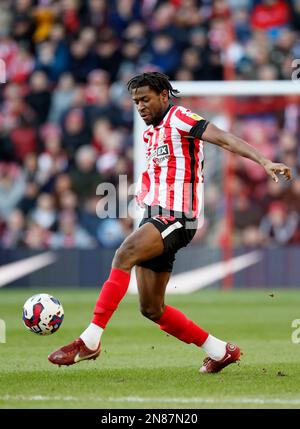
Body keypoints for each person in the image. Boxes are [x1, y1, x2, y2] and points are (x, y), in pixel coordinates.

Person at [48, 72, 291, 373]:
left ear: (164, 95)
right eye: (136, 101)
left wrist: (264, 161)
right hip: (156, 217)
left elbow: (224, 139)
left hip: (179, 217)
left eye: (145, 99)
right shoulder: (150, 134)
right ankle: (220, 351)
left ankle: (90, 339)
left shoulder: (180, 117)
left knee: (123, 254)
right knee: (151, 308)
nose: (140, 107)